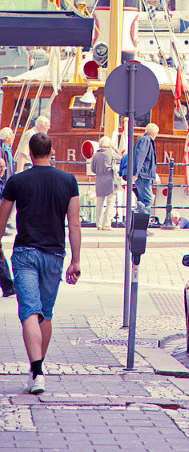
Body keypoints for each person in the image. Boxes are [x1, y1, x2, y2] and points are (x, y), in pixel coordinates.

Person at [0, 132, 80, 394]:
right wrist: (75, 261)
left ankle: (37, 372)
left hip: (25, 253)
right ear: (51, 151)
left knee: (29, 312)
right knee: (44, 313)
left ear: (30, 153)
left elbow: (2, 219)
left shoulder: (17, 181)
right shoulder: (68, 181)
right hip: (55, 255)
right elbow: (74, 224)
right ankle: (38, 369)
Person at [92, 136, 118, 231]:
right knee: (110, 202)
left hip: (99, 180)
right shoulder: (111, 153)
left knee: (99, 203)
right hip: (110, 180)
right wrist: (115, 148)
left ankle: (98, 224)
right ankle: (106, 224)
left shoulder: (95, 155)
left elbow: (93, 169)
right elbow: (120, 158)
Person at [133, 123, 159, 215]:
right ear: (154, 133)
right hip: (144, 175)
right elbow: (140, 157)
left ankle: (139, 224)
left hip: (144, 174)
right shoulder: (146, 140)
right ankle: (143, 224)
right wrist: (136, 173)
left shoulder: (144, 140)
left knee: (142, 200)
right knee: (148, 200)